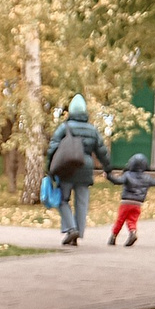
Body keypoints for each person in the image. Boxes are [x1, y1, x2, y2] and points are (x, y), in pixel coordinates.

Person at [45, 94, 113, 245]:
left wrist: (49, 169)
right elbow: (102, 151)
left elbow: (52, 148)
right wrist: (108, 169)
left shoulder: (64, 127)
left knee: (63, 200)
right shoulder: (92, 130)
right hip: (85, 168)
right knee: (82, 203)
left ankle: (71, 229)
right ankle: (78, 234)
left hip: (67, 168)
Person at [107, 153, 155, 246]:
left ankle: (113, 236)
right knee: (132, 220)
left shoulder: (127, 175)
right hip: (138, 203)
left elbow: (118, 181)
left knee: (120, 220)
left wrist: (109, 176)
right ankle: (132, 232)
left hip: (126, 202)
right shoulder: (147, 177)